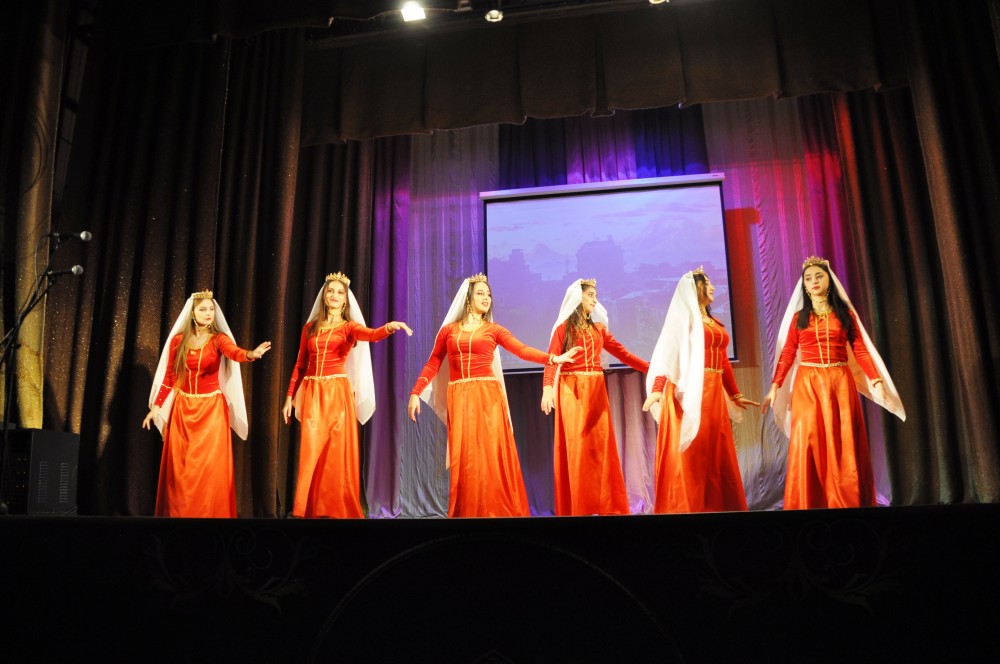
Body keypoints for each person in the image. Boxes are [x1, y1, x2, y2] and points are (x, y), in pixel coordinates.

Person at [407, 273, 580, 517]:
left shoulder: (493, 330)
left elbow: (521, 350)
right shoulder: (448, 331)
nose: (486, 298)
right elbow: (434, 362)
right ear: (468, 299)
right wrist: (416, 392)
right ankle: (469, 512)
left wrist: (552, 358)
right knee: (465, 459)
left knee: (489, 456)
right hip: (460, 397)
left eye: (488, 294)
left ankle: (495, 512)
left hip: (487, 398)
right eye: (480, 293)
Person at [761, 256, 905, 509]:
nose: (814, 281)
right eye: (808, 278)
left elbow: (860, 350)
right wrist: (775, 386)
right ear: (804, 286)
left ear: (829, 280)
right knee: (809, 439)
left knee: (842, 440)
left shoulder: (844, 315)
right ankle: (809, 500)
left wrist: (876, 380)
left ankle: (845, 500)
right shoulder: (798, 318)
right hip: (807, 384)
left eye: (819, 276)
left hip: (839, 382)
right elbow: (787, 354)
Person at [282, 272, 412, 518]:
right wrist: (289, 397)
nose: (334, 295)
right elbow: (300, 364)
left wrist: (388, 327)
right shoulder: (310, 328)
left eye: (340, 292)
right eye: (330, 291)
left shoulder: (349, 327)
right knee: (311, 451)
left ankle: (334, 509)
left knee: (335, 453)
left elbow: (370, 335)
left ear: (345, 300)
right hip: (313, 393)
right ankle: (307, 509)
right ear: (324, 296)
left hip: (337, 394)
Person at [142, 289, 272, 517]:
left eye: (211, 309)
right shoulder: (178, 341)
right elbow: (171, 377)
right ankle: (181, 515)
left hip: (211, 411)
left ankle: (208, 516)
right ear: (192, 313)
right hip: (183, 410)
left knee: (208, 467)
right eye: (203, 309)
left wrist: (250, 354)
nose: (208, 313)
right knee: (182, 469)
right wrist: (156, 407)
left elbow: (233, 352)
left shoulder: (218, 339)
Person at [642, 268, 757, 513]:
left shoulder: (713, 322)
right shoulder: (683, 321)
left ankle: (717, 507)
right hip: (689, 393)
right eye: (706, 283)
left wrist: (735, 393)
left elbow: (723, 361)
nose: (712, 287)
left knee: (714, 451)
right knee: (693, 454)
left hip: (713, 393)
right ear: (693, 289)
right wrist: (657, 390)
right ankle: (690, 509)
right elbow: (667, 358)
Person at [540, 278, 649, 515]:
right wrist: (548, 387)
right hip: (573, 392)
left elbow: (624, 354)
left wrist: (652, 369)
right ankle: (579, 508)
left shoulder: (599, 329)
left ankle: (605, 505)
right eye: (590, 295)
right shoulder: (563, 329)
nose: (595, 299)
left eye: (595, 295)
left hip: (596, 393)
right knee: (578, 450)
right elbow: (551, 360)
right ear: (577, 298)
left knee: (600, 450)